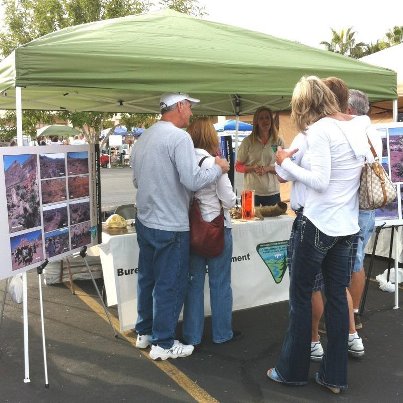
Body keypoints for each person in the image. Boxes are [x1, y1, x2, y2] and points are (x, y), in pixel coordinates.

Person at [267, 76, 370, 394]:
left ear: (303, 104)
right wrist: (289, 164)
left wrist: (285, 161)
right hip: (347, 227)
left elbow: (320, 180)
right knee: (338, 297)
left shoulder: (319, 131)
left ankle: (291, 371)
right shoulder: (361, 124)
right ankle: (334, 376)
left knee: (300, 297)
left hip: (316, 225)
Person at [131, 92, 229, 361]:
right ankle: (163, 342)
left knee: (147, 278)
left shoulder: (144, 137)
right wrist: (219, 168)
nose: (191, 112)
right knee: (170, 283)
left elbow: (137, 180)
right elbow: (193, 180)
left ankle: (145, 332)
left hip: (146, 219)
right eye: (189, 107)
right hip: (170, 223)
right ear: (178, 107)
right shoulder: (179, 137)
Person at [182, 117, 237, 347]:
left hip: (191, 229)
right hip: (216, 229)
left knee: (193, 285)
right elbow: (229, 200)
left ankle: (192, 335)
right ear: (210, 137)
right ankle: (222, 333)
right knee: (220, 283)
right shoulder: (214, 163)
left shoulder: (183, 161)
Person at [347, 89, 383, 330]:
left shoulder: (355, 131)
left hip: (356, 204)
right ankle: (354, 312)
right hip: (368, 204)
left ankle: (352, 315)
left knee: (354, 260)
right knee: (356, 258)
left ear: (349, 110)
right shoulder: (373, 131)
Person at [235, 106, 285, 206]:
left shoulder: (278, 141)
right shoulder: (247, 142)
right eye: (261, 118)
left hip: (272, 192)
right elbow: (238, 167)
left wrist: (268, 168)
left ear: (271, 120)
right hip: (250, 192)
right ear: (256, 122)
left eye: (267, 118)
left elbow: (283, 167)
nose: (265, 121)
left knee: (274, 222)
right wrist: (252, 168)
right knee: (249, 221)